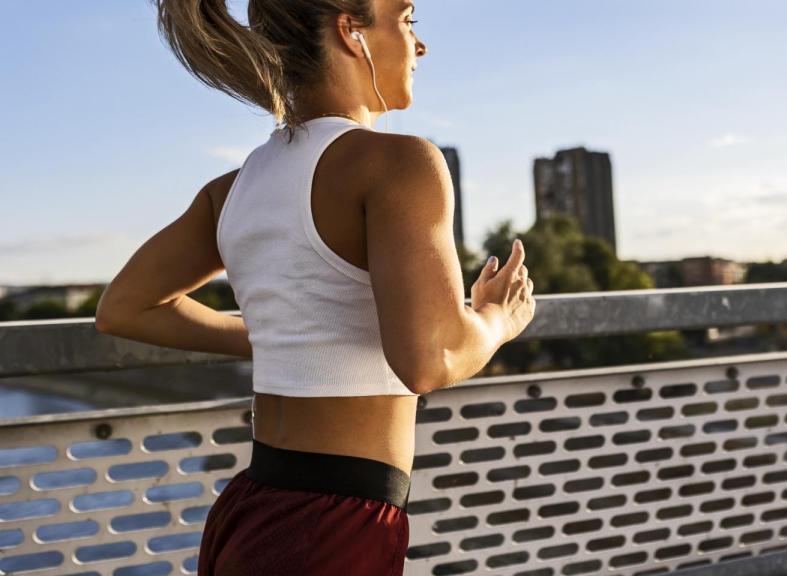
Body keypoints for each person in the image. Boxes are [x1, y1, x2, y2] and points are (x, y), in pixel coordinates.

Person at [94, 0, 536, 573]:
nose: (420, 45)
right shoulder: (400, 164)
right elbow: (431, 358)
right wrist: (498, 318)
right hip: (332, 528)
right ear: (351, 31)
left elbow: (124, 309)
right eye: (407, 20)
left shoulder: (231, 188)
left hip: (250, 505)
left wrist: (278, 335)